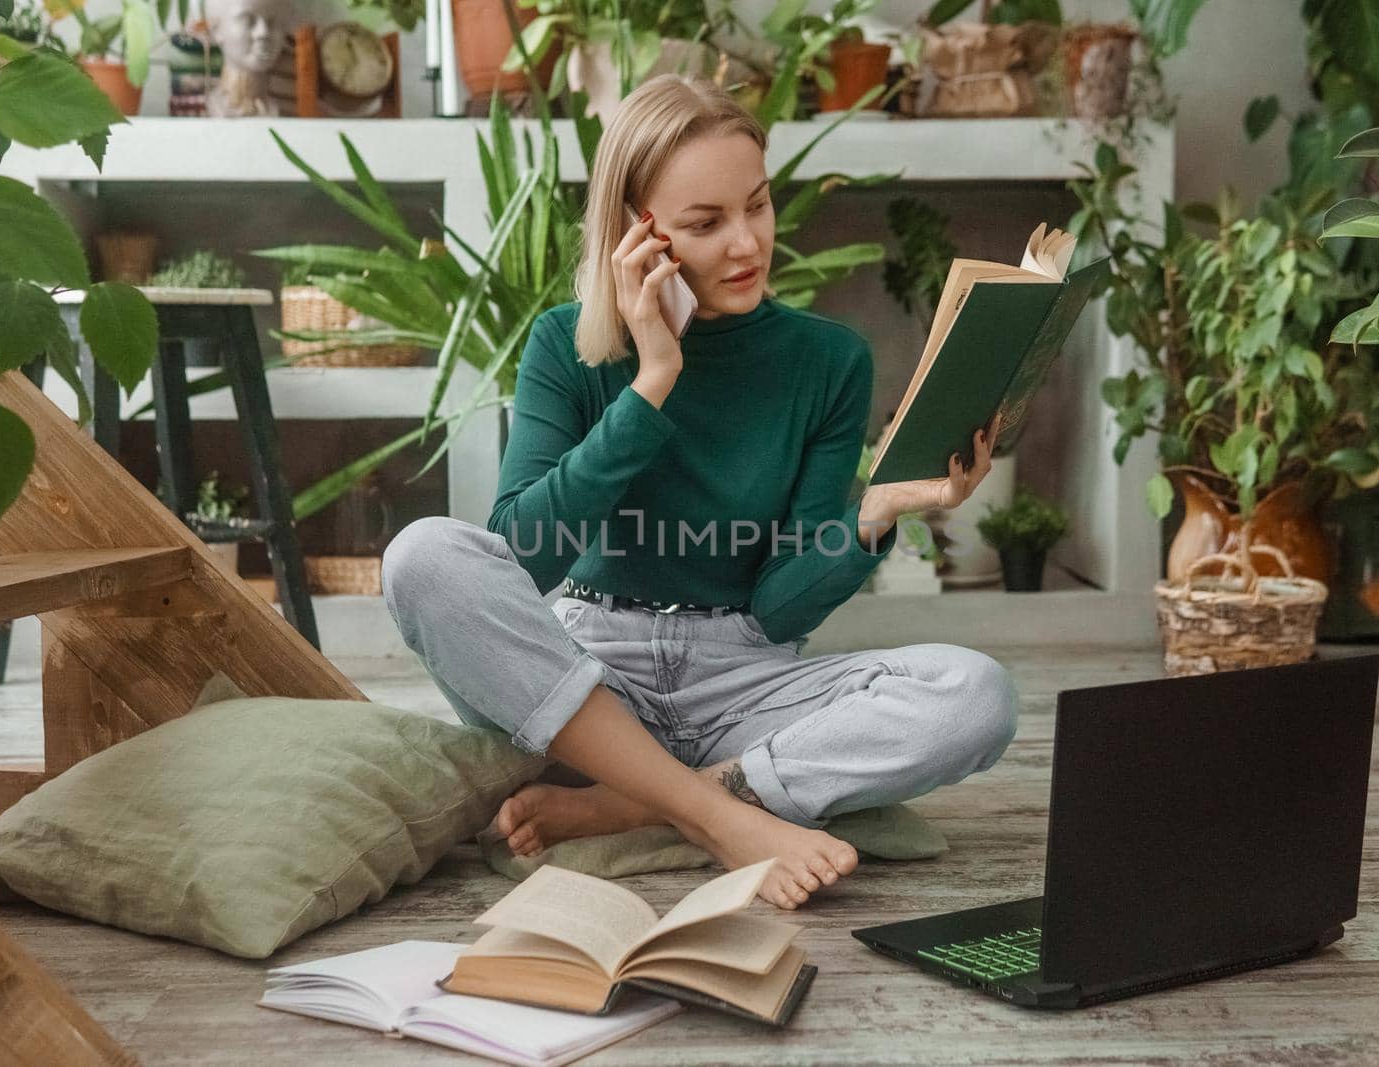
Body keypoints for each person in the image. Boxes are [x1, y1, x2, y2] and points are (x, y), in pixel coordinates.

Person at [382, 74, 1019, 910]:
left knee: (976, 694)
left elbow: (780, 609)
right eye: (706, 223)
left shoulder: (828, 362)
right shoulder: (564, 347)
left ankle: (638, 805)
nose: (747, 243)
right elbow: (521, 556)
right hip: (585, 688)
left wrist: (875, 510)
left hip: (742, 682)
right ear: (633, 231)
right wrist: (650, 383)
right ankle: (721, 813)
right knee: (421, 556)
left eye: (756, 205)